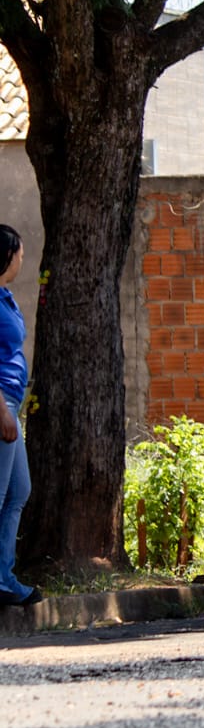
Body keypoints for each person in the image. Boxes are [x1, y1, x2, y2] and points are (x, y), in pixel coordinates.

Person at [0, 225, 40, 609]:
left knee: (18, 491)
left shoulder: (5, 298)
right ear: (6, 255)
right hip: (1, 406)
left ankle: (3, 577)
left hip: (11, 401)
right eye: (19, 253)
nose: (22, 259)